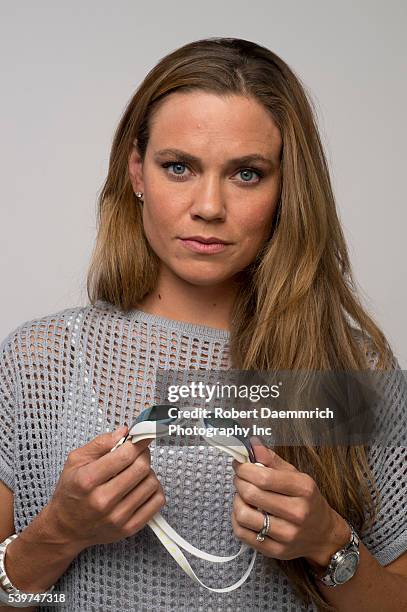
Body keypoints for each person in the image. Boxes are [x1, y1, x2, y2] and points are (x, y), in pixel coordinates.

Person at [0, 36, 406, 612]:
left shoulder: (347, 369)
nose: (209, 206)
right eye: (179, 167)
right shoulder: (40, 360)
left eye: (246, 174)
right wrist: (58, 532)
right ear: (136, 170)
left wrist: (327, 543)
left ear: (287, 187)